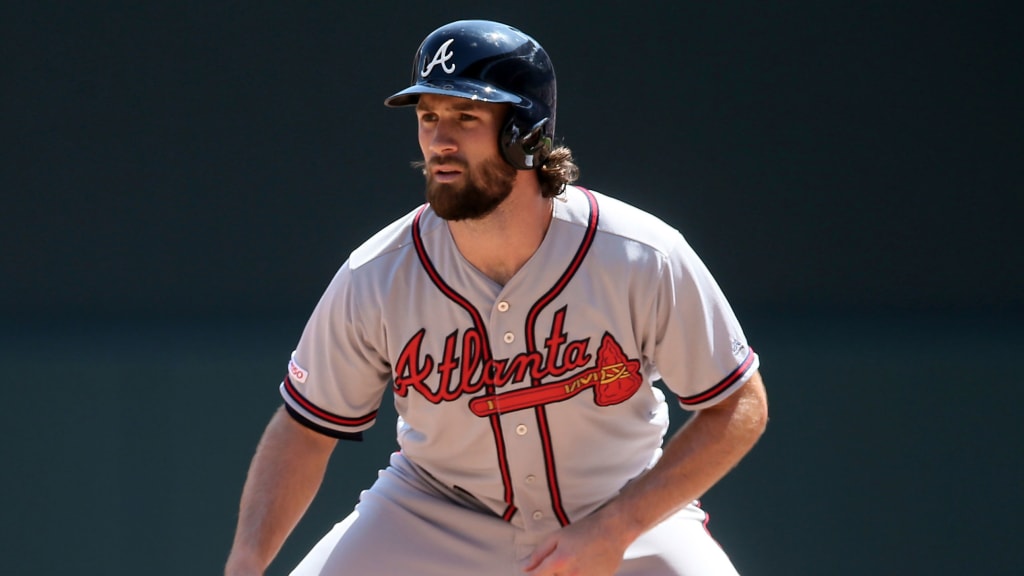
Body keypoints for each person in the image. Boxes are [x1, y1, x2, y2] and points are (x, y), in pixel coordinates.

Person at [225, 19, 769, 576]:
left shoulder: (638, 254)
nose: (439, 139)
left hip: (619, 504)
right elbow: (305, 429)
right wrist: (245, 563)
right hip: (433, 513)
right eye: (428, 117)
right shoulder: (378, 272)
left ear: (525, 133)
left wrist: (620, 525)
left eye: (466, 117)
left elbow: (738, 405)